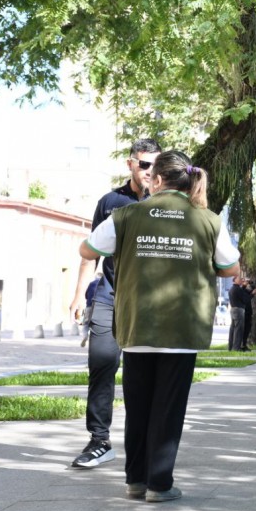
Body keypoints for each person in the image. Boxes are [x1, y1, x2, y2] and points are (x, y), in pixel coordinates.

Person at [80, 150, 240, 501]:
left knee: (137, 407)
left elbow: (87, 250)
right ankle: (159, 484)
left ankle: (135, 481)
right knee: (168, 409)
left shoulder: (126, 215)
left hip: (137, 325)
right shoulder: (208, 220)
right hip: (182, 328)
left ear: (157, 180)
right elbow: (231, 268)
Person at [68, 138, 162, 468]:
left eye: (156, 164)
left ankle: (147, 444)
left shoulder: (167, 203)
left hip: (149, 302)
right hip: (110, 294)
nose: (149, 170)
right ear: (131, 164)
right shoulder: (110, 202)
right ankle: (99, 441)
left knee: (147, 373)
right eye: (144, 164)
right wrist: (79, 294)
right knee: (102, 363)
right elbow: (91, 251)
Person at [228, 276, 250, 351]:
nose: (241, 280)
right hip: (239, 310)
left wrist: (243, 287)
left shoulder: (232, 288)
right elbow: (245, 299)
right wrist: (251, 293)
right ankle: (236, 347)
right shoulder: (237, 289)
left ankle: (231, 347)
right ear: (234, 280)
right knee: (238, 329)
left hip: (233, 309)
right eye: (240, 279)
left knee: (233, 329)